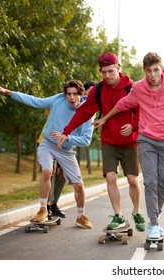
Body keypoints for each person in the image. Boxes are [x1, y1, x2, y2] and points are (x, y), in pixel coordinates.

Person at [92, 52, 164, 239]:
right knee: (150, 182)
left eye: (156, 70)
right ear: (144, 71)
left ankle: (154, 220)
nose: (153, 75)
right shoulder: (138, 88)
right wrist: (104, 118)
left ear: (162, 69)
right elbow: (122, 105)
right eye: (149, 71)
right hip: (146, 140)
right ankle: (154, 225)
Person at [57, 53, 146, 232]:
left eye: (111, 71)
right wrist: (66, 132)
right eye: (104, 72)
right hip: (109, 142)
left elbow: (141, 113)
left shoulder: (132, 88)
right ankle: (119, 216)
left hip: (130, 143)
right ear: (100, 72)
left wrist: (133, 126)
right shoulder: (99, 90)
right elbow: (83, 113)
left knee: (132, 180)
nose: (107, 76)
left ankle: (136, 212)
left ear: (118, 68)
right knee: (111, 177)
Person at [0, 80, 94, 229]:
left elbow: (86, 141)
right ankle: (43, 209)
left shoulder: (88, 112)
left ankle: (80, 217)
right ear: (65, 94)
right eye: (68, 94)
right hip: (47, 143)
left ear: (81, 94)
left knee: (78, 185)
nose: (71, 98)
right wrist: (8, 92)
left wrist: (67, 137)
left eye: (75, 94)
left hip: (66, 150)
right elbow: (35, 101)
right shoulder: (58, 99)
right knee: (47, 171)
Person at [43, 81, 97, 218]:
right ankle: (46, 207)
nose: (92, 93)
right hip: (51, 139)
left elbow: (84, 136)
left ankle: (53, 203)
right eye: (90, 91)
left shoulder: (90, 107)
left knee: (61, 174)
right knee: (52, 170)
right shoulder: (69, 101)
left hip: (66, 144)